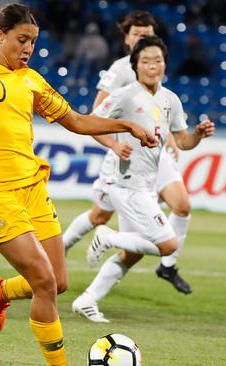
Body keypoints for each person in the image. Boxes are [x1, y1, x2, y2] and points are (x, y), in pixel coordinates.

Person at [0, 5, 156, 365]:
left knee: (57, 282)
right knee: (44, 281)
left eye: (33, 42)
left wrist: (127, 126)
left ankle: (1, 291)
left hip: (31, 188)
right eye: (22, 40)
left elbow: (76, 120)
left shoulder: (31, 80)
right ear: (0, 35)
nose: (28, 48)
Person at [71, 36, 215, 323]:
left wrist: (197, 134)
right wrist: (114, 145)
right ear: (135, 65)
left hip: (146, 186)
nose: (153, 66)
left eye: (158, 60)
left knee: (132, 254)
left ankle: (86, 300)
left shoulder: (169, 99)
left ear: (165, 64)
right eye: (146, 60)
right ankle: (107, 236)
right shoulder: (125, 95)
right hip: (127, 185)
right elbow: (88, 123)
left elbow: (183, 142)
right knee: (170, 246)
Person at [62, 10, 195, 295]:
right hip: (127, 158)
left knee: (182, 206)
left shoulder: (155, 65)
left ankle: (167, 264)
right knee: (100, 217)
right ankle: (60, 251)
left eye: (147, 35)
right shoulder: (122, 69)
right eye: (137, 35)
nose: (142, 39)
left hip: (155, 155)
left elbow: (157, 110)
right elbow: (96, 115)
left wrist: (171, 136)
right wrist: (113, 143)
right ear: (126, 39)